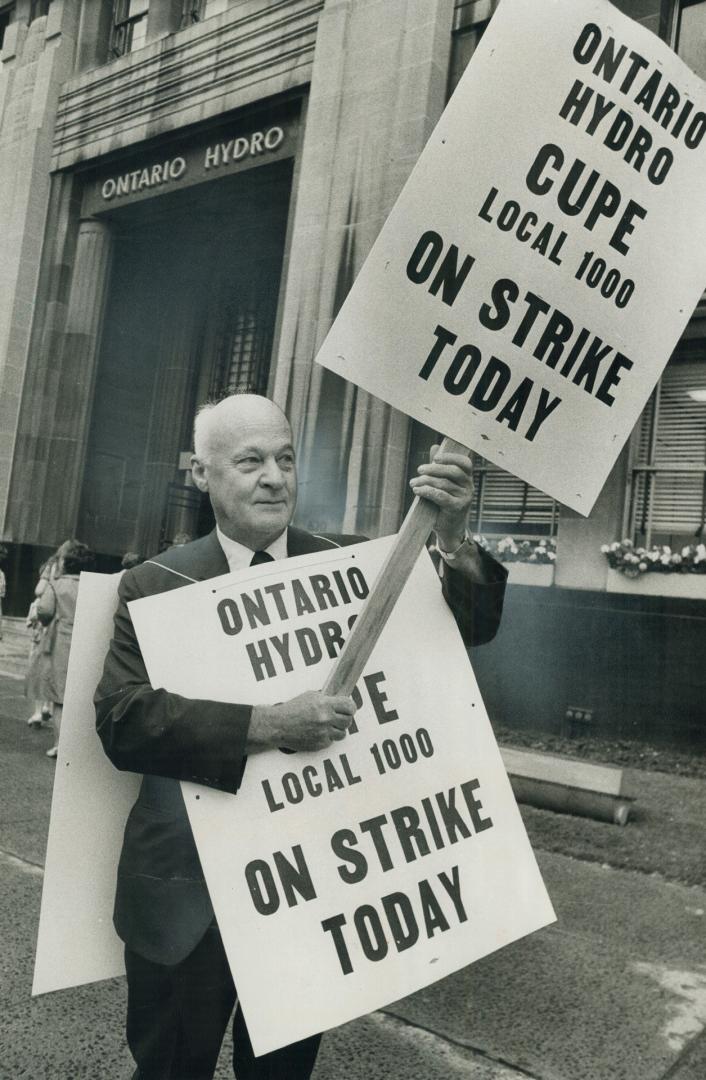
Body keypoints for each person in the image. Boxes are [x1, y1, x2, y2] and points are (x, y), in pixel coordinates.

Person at [95, 394, 507, 1080]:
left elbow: (467, 629)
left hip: (310, 896)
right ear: (201, 473)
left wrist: (453, 536)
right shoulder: (153, 583)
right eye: (250, 460)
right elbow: (122, 721)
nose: (274, 477)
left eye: (285, 459)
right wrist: (268, 724)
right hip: (185, 897)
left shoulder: (347, 571)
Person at [36, 541, 95, 757]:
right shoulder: (93, 586)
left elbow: (44, 611)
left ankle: (60, 744)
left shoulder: (57, 584)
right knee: (81, 695)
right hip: (88, 641)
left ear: (65, 563)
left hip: (61, 641)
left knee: (60, 696)